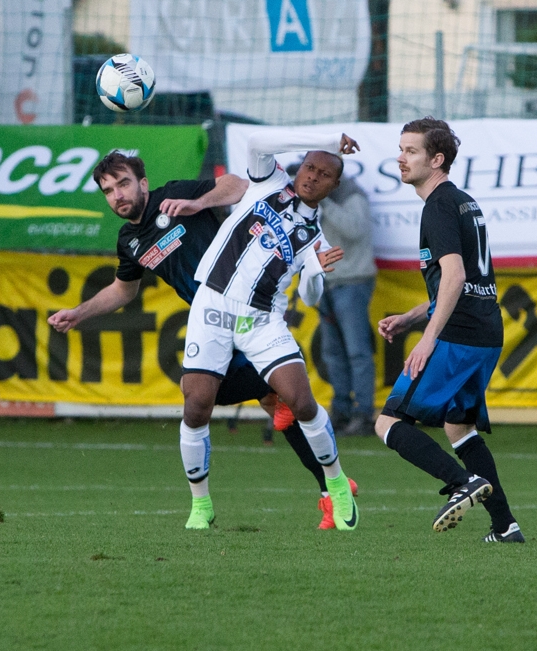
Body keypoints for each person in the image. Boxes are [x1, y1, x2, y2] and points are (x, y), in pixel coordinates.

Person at [47, 151, 356, 530]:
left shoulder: (173, 195)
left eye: (123, 183)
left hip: (249, 308)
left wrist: (199, 202)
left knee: (280, 401)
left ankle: (331, 490)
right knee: (229, 400)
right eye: (108, 191)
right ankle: (328, 485)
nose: (117, 195)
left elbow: (237, 186)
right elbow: (123, 290)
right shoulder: (129, 240)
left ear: (142, 183)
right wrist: (80, 313)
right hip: (209, 318)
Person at [178, 130, 361, 531]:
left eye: (324, 173)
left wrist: (316, 271)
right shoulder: (271, 181)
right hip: (213, 305)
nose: (312, 176)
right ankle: (201, 504)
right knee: (196, 406)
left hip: (262, 320)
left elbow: (311, 298)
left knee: (300, 400)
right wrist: (329, 139)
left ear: (334, 186)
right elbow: (259, 141)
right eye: (310, 166)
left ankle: (335, 483)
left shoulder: (316, 237)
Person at [374, 117, 524, 543]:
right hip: (485, 333)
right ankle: (505, 526)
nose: (400, 159)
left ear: (437, 160)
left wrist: (426, 338)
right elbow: (464, 283)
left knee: (387, 423)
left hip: (457, 335)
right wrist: (411, 317)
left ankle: (462, 484)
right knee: (460, 428)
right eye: (400, 149)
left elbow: (455, 277)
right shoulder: (462, 201)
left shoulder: (437, 206)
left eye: (411, 151)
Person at [313, 174, 377, 436]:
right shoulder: (315, 202)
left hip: (353, 281)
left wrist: (324, 202)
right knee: (333, 353)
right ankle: (341, 411)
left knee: (357, 352)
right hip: (327, 282)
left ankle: (363, 414)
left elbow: (354, 229)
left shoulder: (352, 195)